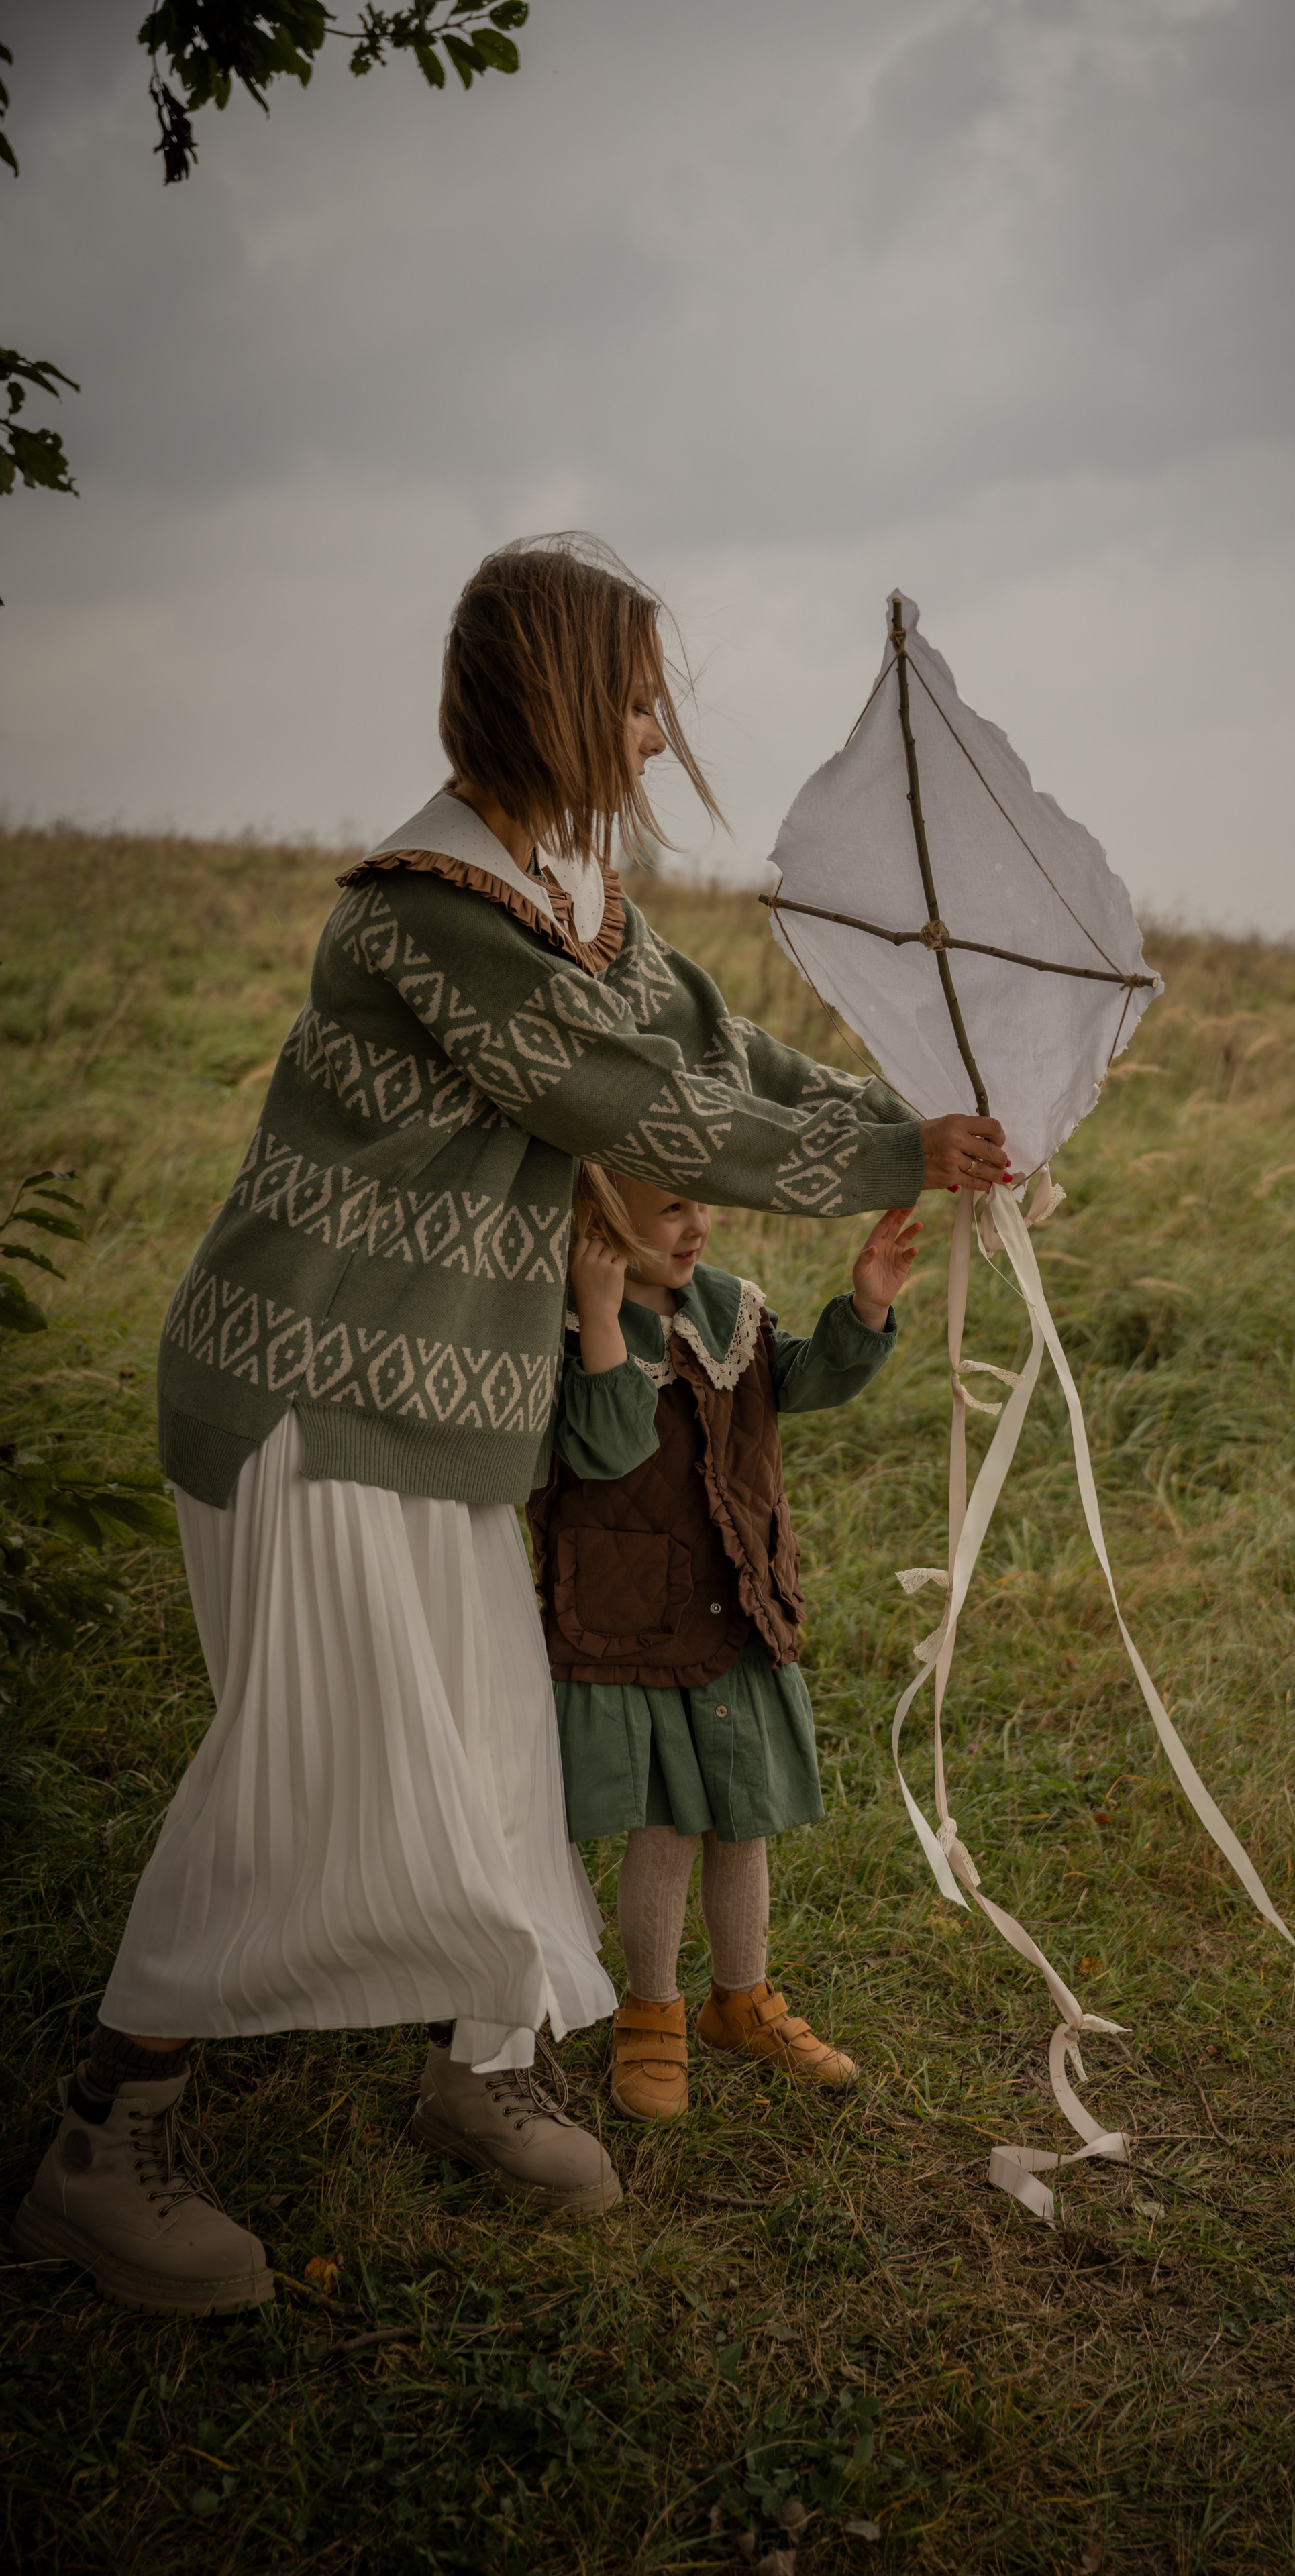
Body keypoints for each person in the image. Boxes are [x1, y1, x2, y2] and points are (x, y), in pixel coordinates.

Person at [10, 533, 1009, 2316]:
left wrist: (912, 1116)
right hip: (311, 1393)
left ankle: (478, 2062)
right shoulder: (428, 914)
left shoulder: (574, 896)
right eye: (633, 698)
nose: (652, 735)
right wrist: (888, 1154)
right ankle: (107, 2139)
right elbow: (635, 1105)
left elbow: (721, 1059)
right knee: (298, 1765)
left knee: (493, 1747)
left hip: (441, 1405)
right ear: (555, 698)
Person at [531, 1163, 917, 2120]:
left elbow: (798, 1381)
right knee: (666, 1822)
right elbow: (608, 1449)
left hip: (735, 1597)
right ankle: (651, 2016)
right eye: (671, 1209)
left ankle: (742, 2002)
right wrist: (601, 1310)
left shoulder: (726, 1305)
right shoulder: (570, 1325)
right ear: (600, 1226)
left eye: (702, 1202)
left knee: (743, 1816)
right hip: (635, 1615)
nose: (699, 1224)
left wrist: (863, 1310)